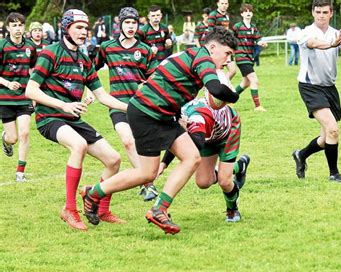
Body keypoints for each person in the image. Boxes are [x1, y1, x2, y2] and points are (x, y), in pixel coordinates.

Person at [80, 27, 240, 235]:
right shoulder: (203, 58)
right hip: (147, 113)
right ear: (212, 47)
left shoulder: (193, 55)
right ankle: (93, 193)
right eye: (227, 53)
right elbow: (217, 90)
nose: (228, 59)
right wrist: (235, 95)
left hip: (162, 114)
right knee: (146, 174)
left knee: (192, 157)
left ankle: (159, 209)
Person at [25, 9, 129, 231]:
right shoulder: (50, 53)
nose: (84, 32)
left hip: (72, 119)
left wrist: (133, 107)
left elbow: (102, 96)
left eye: (86, 28)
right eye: (79, 27)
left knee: (113, 159)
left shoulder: (84, 59)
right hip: (50, 117)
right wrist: (63, 105)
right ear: (66, 28)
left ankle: (100, 208)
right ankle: (69, 209)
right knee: (78, 145)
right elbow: (30, 90)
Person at [291, 0, 341, 182]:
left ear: (330, 13)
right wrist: (331, 44)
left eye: (325, 12)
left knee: (326, 137)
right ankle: (334, 174)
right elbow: (314, 43)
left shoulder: (336, 33)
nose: (321, 15)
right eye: (318, 11)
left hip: (329, 87)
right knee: (333, 129)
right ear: (313, 12)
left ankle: (301, 155)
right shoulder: (306, 32)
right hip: (310, 86)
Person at [159, 71, 250, 222]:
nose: (220, 101)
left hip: (228, 132)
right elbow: (181, 139)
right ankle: (239, 166)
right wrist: (164, 163)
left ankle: (232, 210)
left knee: (224, 180)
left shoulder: (206, 114)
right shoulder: (192, 113)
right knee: (203, 182)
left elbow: (191, 145)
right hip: (206, 138)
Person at [95, 7, 160, 202]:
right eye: (127, 23)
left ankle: (144, 178)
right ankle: (147, 184)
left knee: (143, 143)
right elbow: (92, 69)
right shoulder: (107, 47)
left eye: (134, 23)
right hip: (117, 104)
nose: (131, 27)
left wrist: (147, 85)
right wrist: (91, 91)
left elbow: (154, 78)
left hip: (140, 106)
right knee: (128, 141)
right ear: (120, 24)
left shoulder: (145, 50)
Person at [0, 12, 37, 182]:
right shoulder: (2, 46)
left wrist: (35, 92)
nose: (17, 28)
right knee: (13, 138)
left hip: (24, 96)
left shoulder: (30, 46)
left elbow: (34, 71)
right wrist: (7, 84)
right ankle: (5, 139)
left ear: (24, 27)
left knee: (25, 132)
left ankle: (20, 173)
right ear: (8, 28)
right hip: (5, 97)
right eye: (14, 25)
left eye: (20, 25)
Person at [232, 3, 267, 112]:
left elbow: (258, 39)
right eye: (246, 11)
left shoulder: (253, 27)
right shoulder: (237, 27)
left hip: (249, 57)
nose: (248, 13)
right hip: (241, 57)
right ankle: (257, 106)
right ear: (242, 14)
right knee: (254, 80)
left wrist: (262, 43)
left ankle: (228, 100)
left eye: (250, 11)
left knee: (246, 83)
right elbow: (230, 40)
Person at [208, 0, 237, 80]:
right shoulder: (213, 15)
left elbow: (227, 30)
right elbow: (210, 32)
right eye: (222, 3)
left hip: (227, 46)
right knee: (217, 70)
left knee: (233, 70)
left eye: (226, 3)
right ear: (218, 4)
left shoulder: (227, 15)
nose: (224, 5)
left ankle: (223, 85)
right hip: (218, 47)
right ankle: (214, 88)